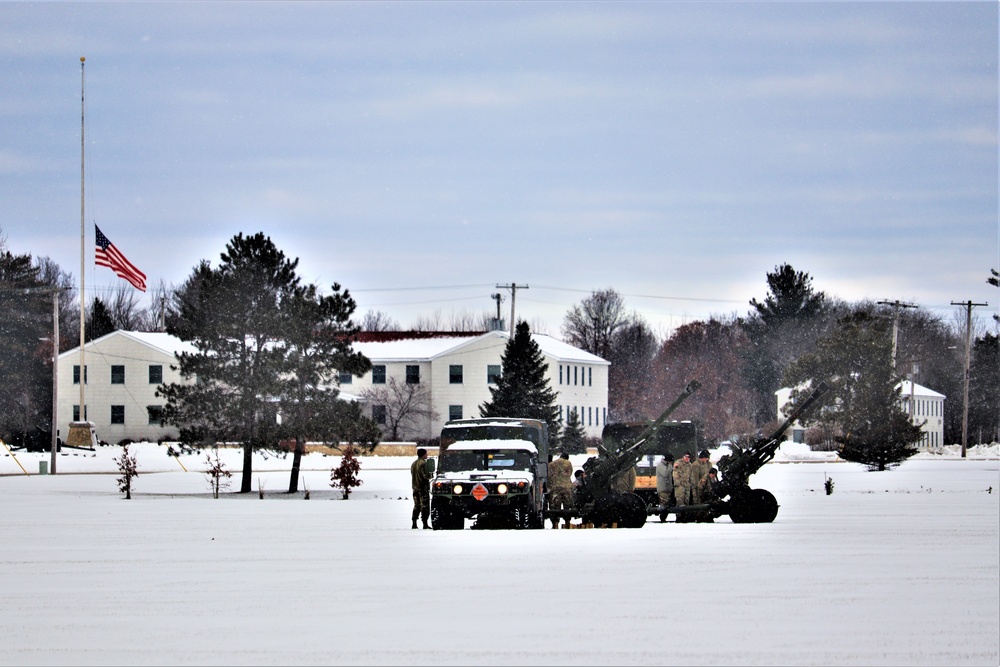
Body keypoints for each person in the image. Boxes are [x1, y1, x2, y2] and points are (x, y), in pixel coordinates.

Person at [547, 452, 574, 528]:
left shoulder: (552, 464)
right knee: (567, 506)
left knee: (555, 507)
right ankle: (567, 522)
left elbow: (548, 475)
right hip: (567, 487)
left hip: (555, 488)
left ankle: (555, 523)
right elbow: (570, 473)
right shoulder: (568, 463)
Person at [410, 448, 431, 529]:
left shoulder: (413, 464)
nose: (427, 455)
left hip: (415, 487)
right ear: (423, 454)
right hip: (422, 488)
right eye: (426, 453)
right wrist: (430, 475)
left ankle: (414, 523)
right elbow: (425, 476)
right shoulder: (423, 463)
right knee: (424, 506)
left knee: (416, 506)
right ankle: (425, 524)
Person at [655, 452, 674, 522]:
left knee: (667, 505)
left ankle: (663, 518)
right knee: (664, 505)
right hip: (663, 489)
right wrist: (670, 466)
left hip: (668, 488)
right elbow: (665, 474)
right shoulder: (660, 466)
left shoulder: (667, 466)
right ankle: (662, 518)